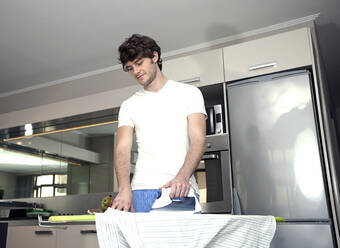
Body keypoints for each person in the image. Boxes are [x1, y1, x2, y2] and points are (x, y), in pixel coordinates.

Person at [112, 34, 206, 213]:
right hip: (142, 190)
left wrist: (182, 177)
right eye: (130, 68)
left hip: (181, 187)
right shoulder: (129, 105)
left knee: (185, 242)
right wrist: (124, 189)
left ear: (154, 57)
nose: (135, 71)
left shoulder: (190, 93)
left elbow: (198, 139)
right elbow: (122, 149)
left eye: (139, 63)